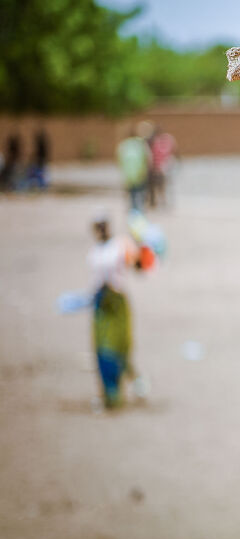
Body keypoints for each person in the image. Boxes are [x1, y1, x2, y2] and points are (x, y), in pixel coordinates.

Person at [88, 211, 136, 409]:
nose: (101, 230)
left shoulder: (119, 247)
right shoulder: (95, 252)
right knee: (103, 348)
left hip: (116, 301)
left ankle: (118, 390)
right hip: (101, 302)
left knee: (119, 346)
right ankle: (110, 393)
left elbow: (140, 263)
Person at [116, 125, 151, 211]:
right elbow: (148, 158)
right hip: (140, 173)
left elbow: (119, 159)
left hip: (129, 174)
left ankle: (134, 211)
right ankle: (140, 211)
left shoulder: (123, 145)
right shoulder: (140, 144)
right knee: (141, 193)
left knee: (132, 194)